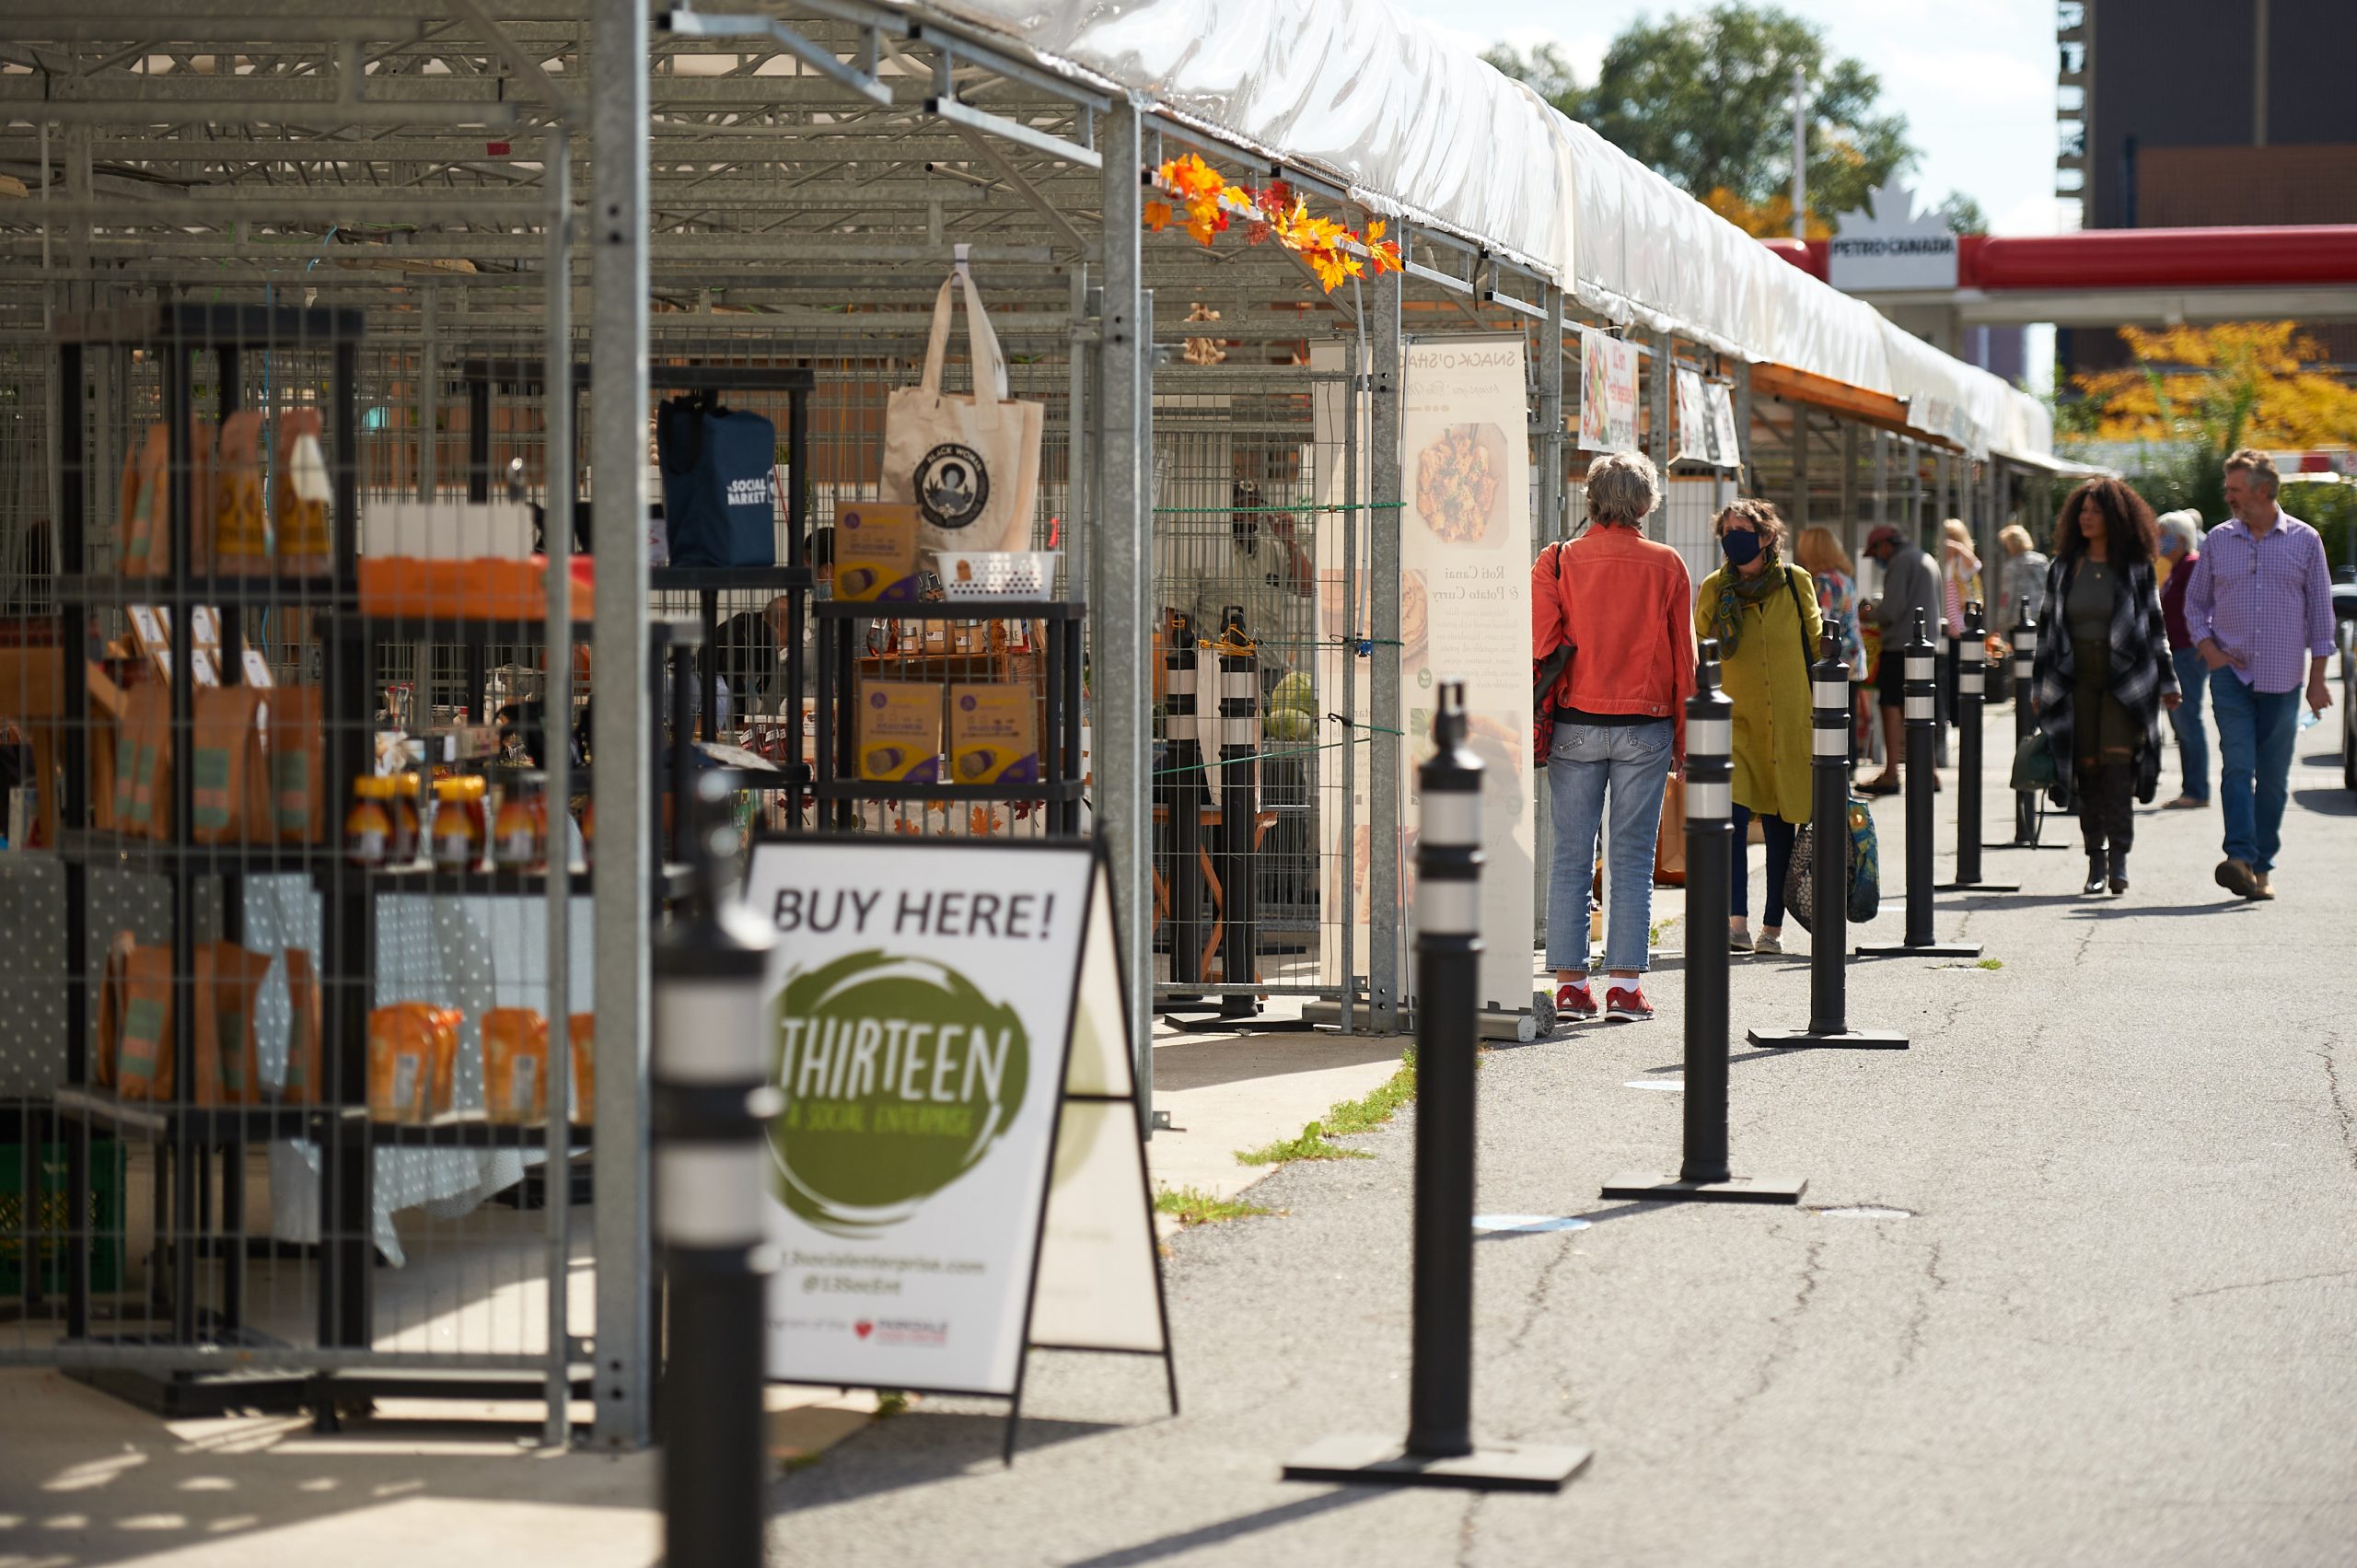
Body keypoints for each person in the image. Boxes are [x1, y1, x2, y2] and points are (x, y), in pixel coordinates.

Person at [1531, 448, 1693, 1023]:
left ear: (1592, 499)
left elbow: (1542, 642)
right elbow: (1683, 659)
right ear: (1647, 501)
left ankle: (1572, 985)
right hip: (1645, 724)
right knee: (1630, 856)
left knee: (1572, 854)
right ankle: (1624, 984)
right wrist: (1683, 739)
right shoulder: (1668, 564)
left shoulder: (1558, 561)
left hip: (1576, 720)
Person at [2183, 448, 2338, 900]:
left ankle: (2262, 866)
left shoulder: (2306, 541)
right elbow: (2194, 604)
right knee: (2238, 766)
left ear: (2263, 491)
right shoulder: (2217, 540)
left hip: (2284, 678)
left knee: (2271, 779)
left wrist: (2318, 679)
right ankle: (2239, 857)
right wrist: (2209, 649)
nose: (2228, 497)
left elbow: (2320, 617)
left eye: (2235, 489)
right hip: (2230, 674)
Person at [2028, 479, 2179, 897]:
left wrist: (2168, 682)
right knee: (2087, 771)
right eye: (2082, 511)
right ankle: (2094, 858)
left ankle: (2120, 860)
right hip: (2075, 681)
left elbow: (2154, 627)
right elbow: (2046, 632)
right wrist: (2038, 686)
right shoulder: (2062, 568)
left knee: (2117, 769)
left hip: (2125, 682)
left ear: (2115, 517)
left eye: (2095, 511)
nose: (2086, 518)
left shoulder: (2135, 565)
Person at [1698, 501, 1822, 956]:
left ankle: (1772, 927)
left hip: (1790, 722)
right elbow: (1701, 653)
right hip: (1736, 723)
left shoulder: (1795, 582)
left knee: (1779, 827)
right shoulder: (1715, 589)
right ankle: (1736, 922)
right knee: (1731, 821)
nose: (1734, 536)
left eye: (1743, 529)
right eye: (1727, 530)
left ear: (1767, 536)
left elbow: (1816, 644)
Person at [1857, 523, 1941, 795]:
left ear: (1885, 545)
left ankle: (1891, 773)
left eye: (1875, 552)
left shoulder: (1900, 562)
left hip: (1901, 646)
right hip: (1925, 646)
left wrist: (1868, 613)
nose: (1877, 559)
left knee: (1891, 705)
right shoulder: (1923, 557)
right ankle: (1930, 772)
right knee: (1918, 710)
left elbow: (1891, 610)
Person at [1794, 525, 1868, 763]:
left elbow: (1820, 621)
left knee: (1829, 718)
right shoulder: (1845, 578)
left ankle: (1837, 775)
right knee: (1847, 715)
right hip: (1854, 654)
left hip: (1833, 658)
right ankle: (1850, 767)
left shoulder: (1822, 583)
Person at [2154, 510, 2210, 809]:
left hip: (2188, 652)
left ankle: (2197, 790)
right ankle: (2193, 788)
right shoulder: (2174, 568)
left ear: (2179, 538)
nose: (2158, 540)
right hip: (2177, 651)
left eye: (2163, 535)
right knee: (2183, 723)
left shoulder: (2192, 566)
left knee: (2188, 722)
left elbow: (2205, 606)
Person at [1995, 523, 2049, 633]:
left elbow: (2007, 597)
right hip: (2043, 614)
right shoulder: (2042, 560)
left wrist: (2001, 622)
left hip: (2019, 619)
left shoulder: (2011, 567)